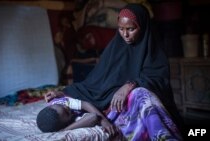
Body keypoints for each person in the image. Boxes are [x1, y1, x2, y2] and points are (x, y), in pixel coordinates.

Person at [45, 3, 184, 140]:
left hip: (136, 105)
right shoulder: (114, 50)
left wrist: (129, 86)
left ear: (142, 27)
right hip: (114, 109)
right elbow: (92, 84)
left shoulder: (154, 52)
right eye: (121, 29)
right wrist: (63, 92)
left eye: (131, 29)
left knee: (141, 94)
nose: (125, 34)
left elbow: (158, 80)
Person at [36, 91, 121, 138]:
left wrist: (104, 120)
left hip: (80, 92)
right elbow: (93, 117)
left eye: (62, 105)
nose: (67, 107)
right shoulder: (72, 120)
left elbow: (85, 104)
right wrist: (66, 129)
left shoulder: (62, 103)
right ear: (66, 123)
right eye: (67, 113)